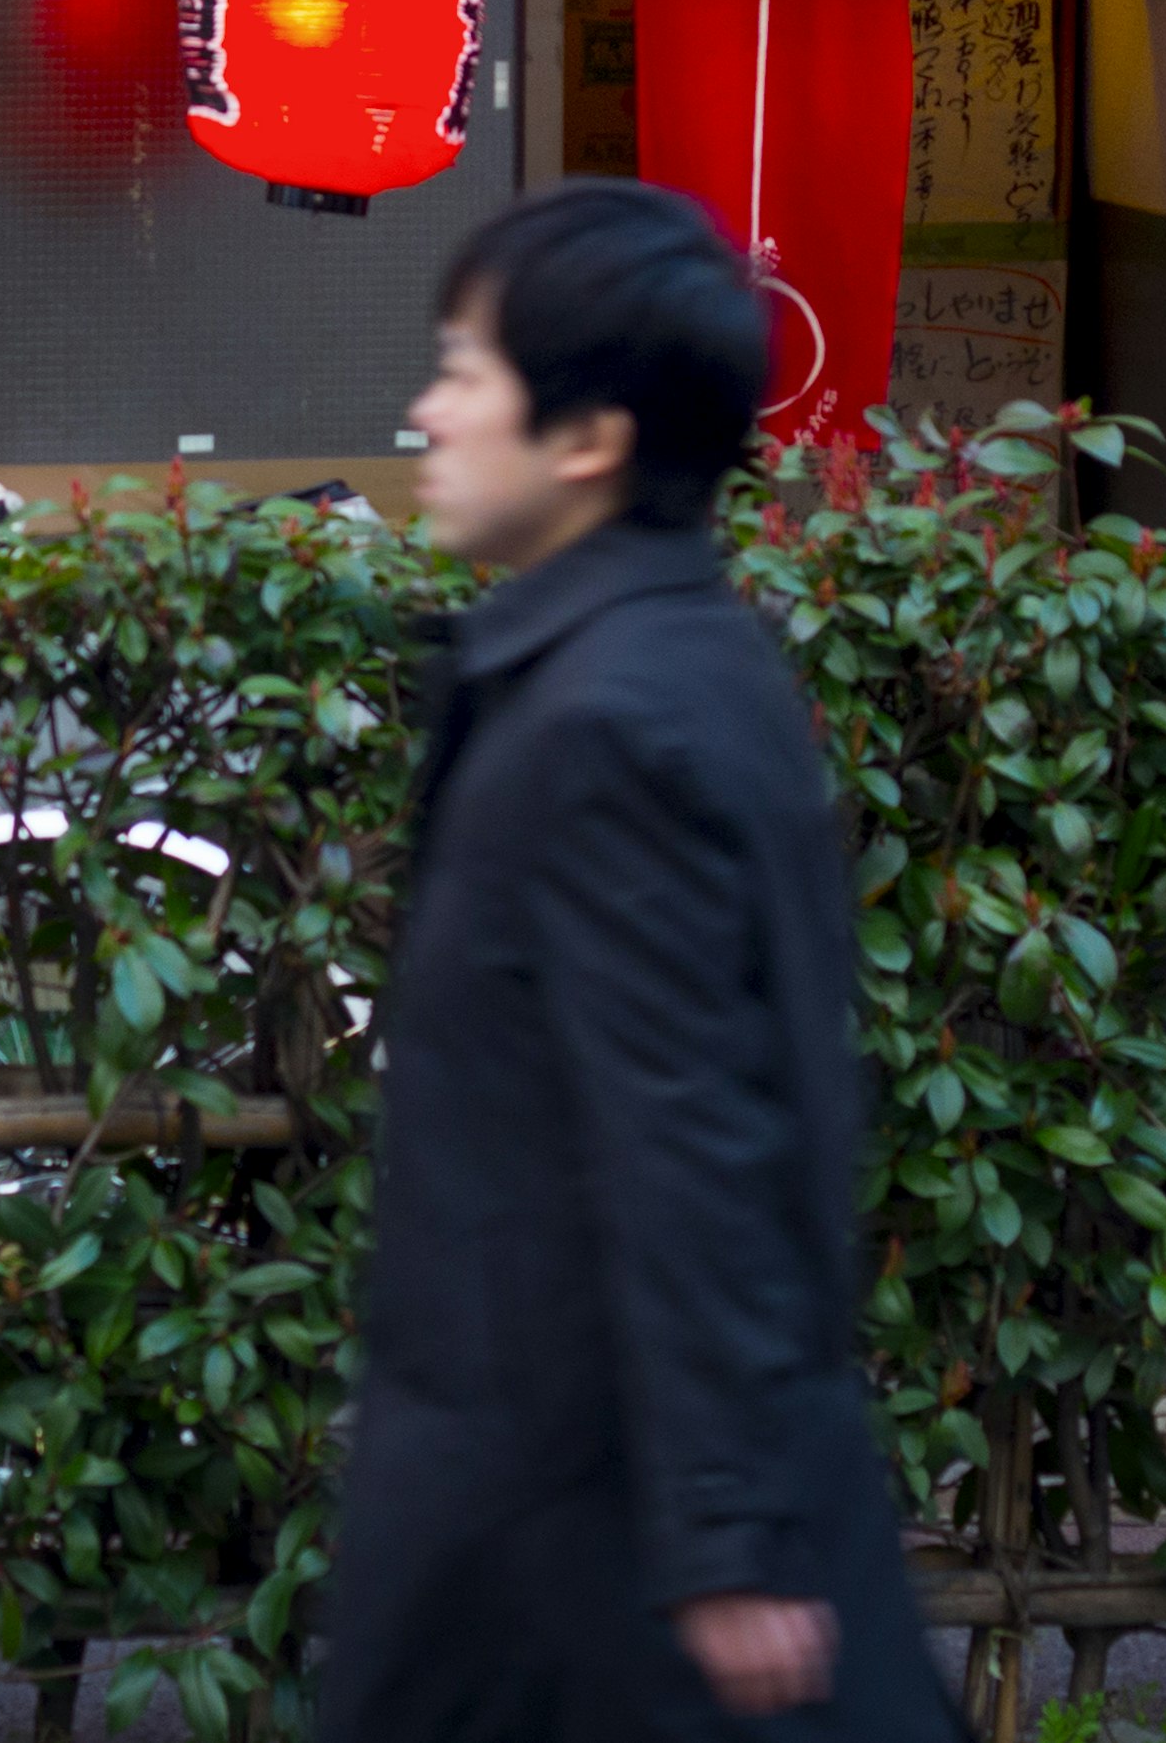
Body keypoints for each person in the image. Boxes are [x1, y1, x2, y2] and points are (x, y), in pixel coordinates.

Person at [321, 181, 960, 1743]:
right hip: (590, 1515)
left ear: (589, 435)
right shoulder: (672, 661)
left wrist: (727, 1531)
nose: (424, 411)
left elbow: (692, 1129)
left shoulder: (606, 717)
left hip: (575, 1543)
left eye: (465, 370)